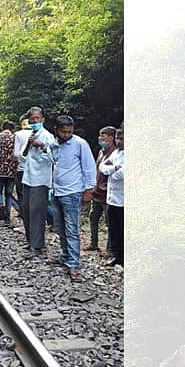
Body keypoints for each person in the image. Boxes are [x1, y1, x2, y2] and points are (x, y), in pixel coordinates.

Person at [50, 115, 96, 282]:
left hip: (73, 192)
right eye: (63, 132)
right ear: (57, 130)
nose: (66, 135)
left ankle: (73, 263)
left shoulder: (80, 144)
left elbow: (89, 167)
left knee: (72, 228)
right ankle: (65, 255)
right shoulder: (54, 145)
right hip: (57, 191)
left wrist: (89, 190)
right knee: (60, 227)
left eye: (69, 132)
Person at [20, 107, 56, 253]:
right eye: (32, 119)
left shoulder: (48, 137)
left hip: (40, 180)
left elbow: (52, 159)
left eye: (37, 118)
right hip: (28, 178)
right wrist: (29, 144)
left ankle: (38, 244)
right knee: (27, 210)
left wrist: (41, 146)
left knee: (37, 212)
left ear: (42, 119)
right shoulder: (31, 135)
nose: (34, 121)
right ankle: (30, 240)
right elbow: (22, 156)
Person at [88, 126, 117, 251]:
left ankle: (110, 249)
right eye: (100, 135)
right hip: (97, 192)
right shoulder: (101, 152)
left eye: (103, 136)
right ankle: (93, 243)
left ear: (111, 138)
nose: (100, 138)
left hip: (108, 194)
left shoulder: (115, 154)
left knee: (109, 222)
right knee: (93, 217)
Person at [101, 126, 125, 270]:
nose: (119, 141)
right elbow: (102, 167)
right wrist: (114, 168)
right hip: (112, 198)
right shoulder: (116, 153)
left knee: (123, 231)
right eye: (117, 138)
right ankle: (117, 257)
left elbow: (121, 174)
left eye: (122, 139)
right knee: (114, 229)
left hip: (123, 199)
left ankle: (124, 259)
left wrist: (112, 170)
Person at [0, 120, 17, 223]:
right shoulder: (14, 138)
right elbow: (16, 153)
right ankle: (7, 216)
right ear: (12, 129)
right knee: (9, 194)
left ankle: (0, 203)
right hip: (11, 171)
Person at [13, 115, 33, 211]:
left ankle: (24, 215)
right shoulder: (38, 133)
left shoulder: (18, 134)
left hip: (21, 169)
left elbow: (16, 154)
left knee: (22, 194)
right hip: (36, 170)